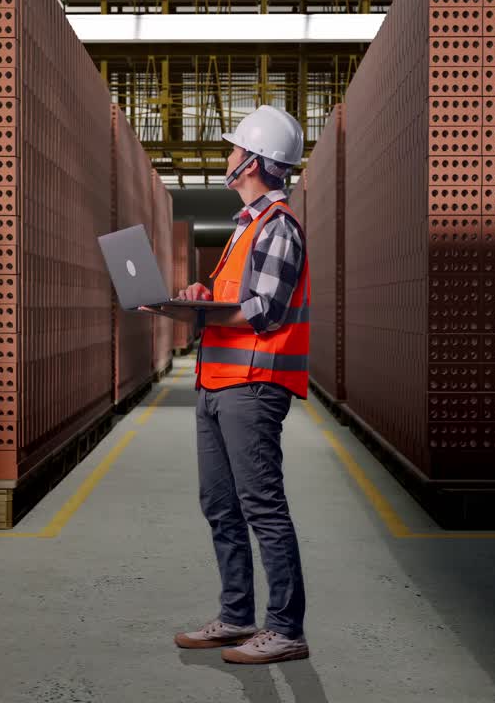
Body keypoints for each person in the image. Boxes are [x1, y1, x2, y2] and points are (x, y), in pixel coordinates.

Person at [140, 105, 312, 665]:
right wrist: (189, 299)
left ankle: (285, 628)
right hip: (217, 382)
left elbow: (263, 311)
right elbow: (229, 303)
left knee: (261, 505)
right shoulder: (244, 230)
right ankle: (237, 617)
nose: (229, 157)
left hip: (253, 385)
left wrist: (203, 309)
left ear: (257, 163)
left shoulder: (278, 226)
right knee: (220, 504)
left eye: (236, 151)